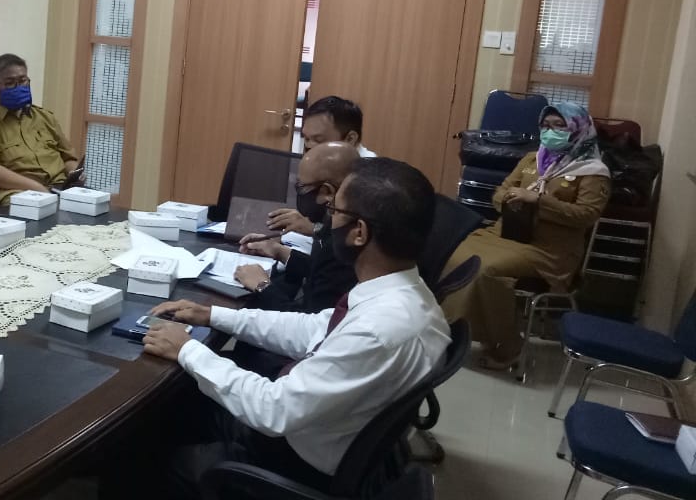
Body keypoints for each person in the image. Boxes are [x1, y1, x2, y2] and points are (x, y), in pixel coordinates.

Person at [132, 158, 449, 497]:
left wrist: (187, 349)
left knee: (143, 437)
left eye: (335, 211)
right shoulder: (405, 295)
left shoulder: (378, 330)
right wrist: (214, 315)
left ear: (359, 232)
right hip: (320, 429)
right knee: (178, 397)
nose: (326, 221)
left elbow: (273, 410)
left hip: (292, 460)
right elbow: (313, 328)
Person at [441, 102, 610, 370]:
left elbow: (586, 215)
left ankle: (508, 345)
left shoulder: (592, 171)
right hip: (505, 234)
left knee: (486, 270)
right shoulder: (532, 159)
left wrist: (539, 202)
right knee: (450, 254)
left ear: (578, 129)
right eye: (545, 126)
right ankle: (452, 332)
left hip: (549, 248)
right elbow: (500, 193)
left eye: (559, 126)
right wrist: (510, 198)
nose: (550, 132)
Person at [226, 142, 360, 378]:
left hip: (302, 362)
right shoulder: (337, 225)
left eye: (301, 187)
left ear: (327, 192)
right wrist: (279, 252)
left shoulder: (341, 243)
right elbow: (323, 275)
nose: (299, 193)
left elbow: (307, 324)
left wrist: (262, 285)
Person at [0, 53, 81, 207]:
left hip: (60, 187)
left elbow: (68, 158)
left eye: (23, 81)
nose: (18, 87)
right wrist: (38, 188)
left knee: (98, 209)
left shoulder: (45, 117)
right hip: (19, 192)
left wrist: (75, 175)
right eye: (10, 83)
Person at [266, 95, 377, 237]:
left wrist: (314, 229)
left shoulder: (369, 182)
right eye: (306, 139)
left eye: (318, 140)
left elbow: (358, 241)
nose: (309, 146)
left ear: (350, 139)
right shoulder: (321, 164)